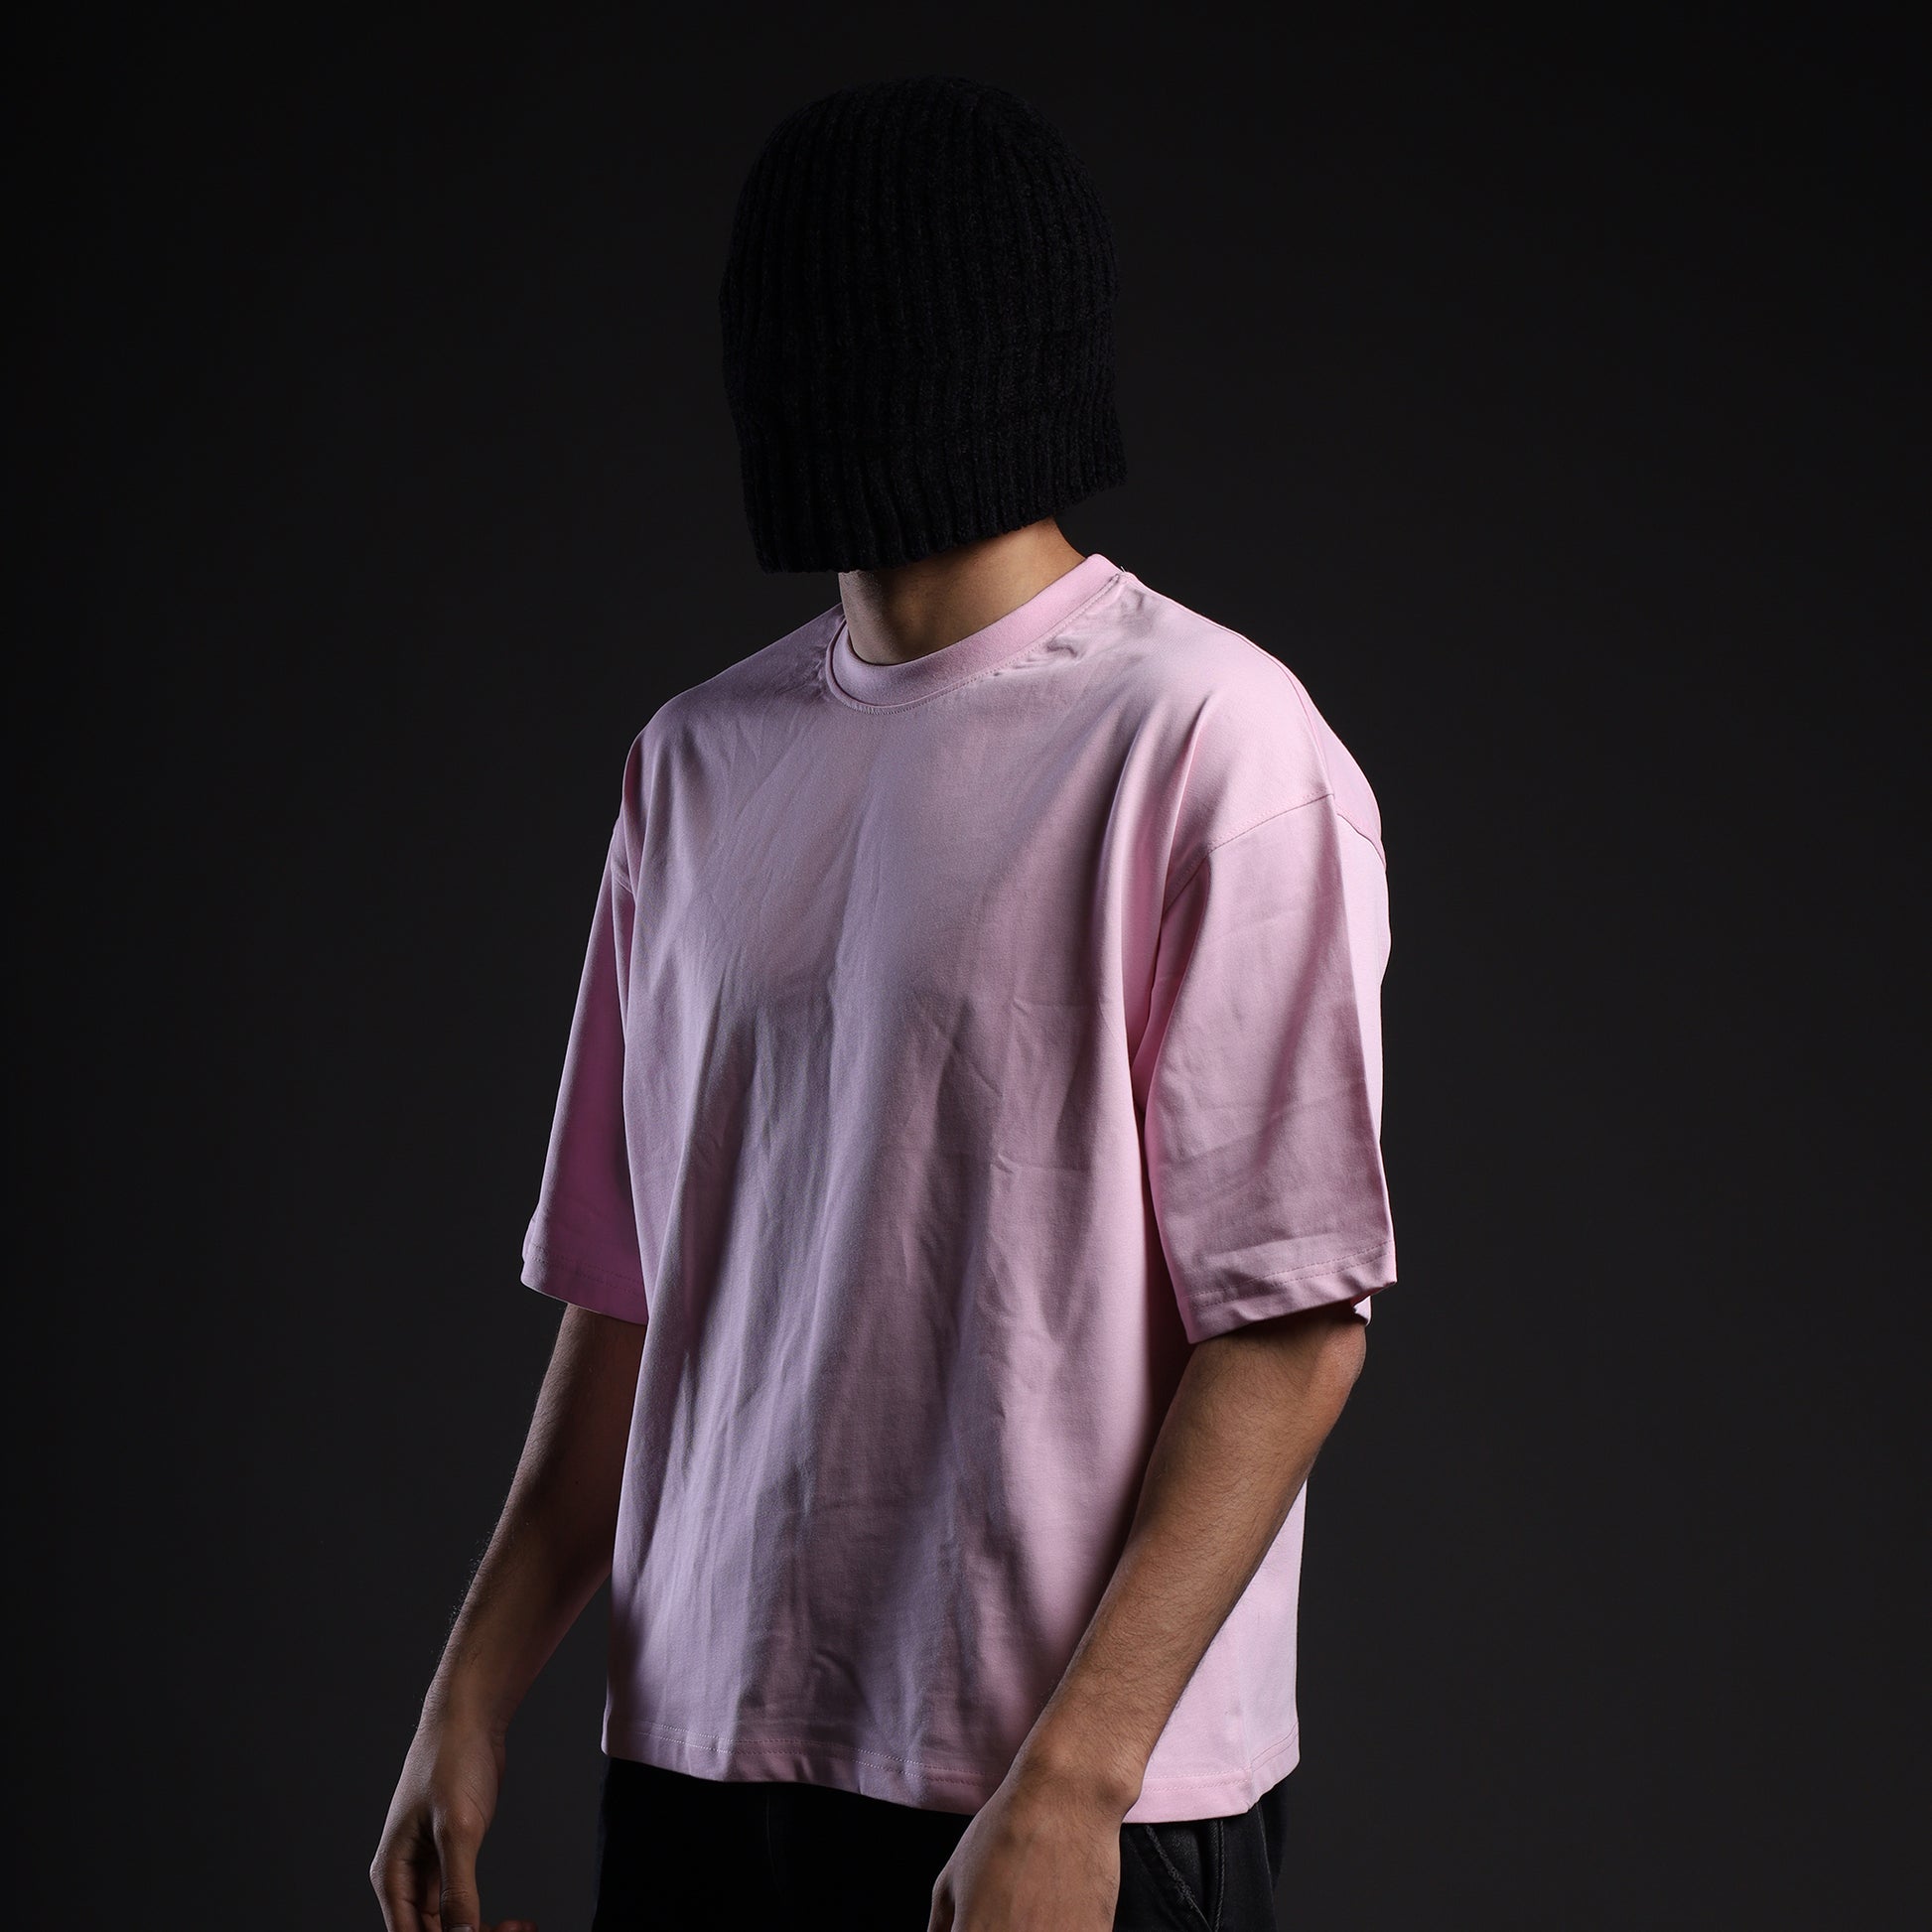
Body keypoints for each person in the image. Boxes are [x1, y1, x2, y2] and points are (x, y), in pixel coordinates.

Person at [371, 73, 1399, 1932]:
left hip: (1050, 1786)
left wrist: (1074, 1780)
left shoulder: (1207, 743)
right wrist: (473, 1681)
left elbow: (1290, 1319)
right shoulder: (693, 765)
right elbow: (632, 1295)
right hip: (703, 1759)